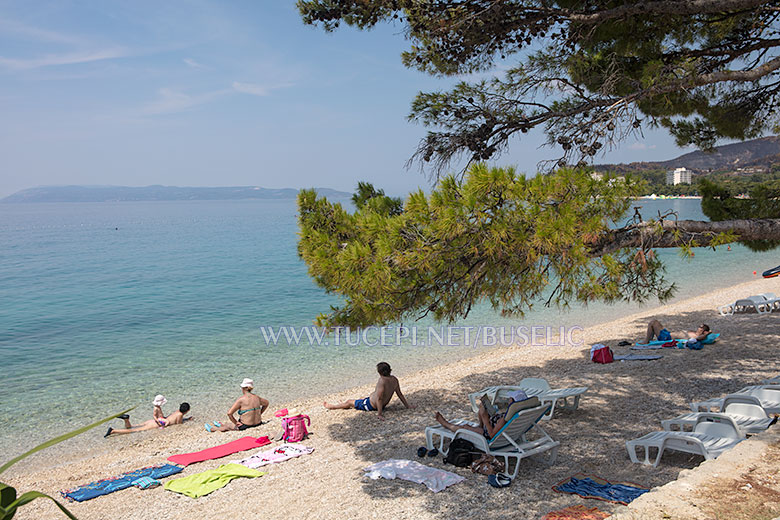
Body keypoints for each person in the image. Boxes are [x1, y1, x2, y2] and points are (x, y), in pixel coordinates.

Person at [323, 362, 414, 420]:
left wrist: (379, 414)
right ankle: (343, 404)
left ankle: (333, 407)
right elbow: (400, 394)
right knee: (360, 400)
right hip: (372, 402)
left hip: (370, 405)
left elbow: (379, 399)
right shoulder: (394, 379)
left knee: (349, 402)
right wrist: (407, 406)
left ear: (379, 372)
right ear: (390, 370)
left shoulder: (382, 381)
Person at [434, 390, 528, 439]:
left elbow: (491, 435)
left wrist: (485, 419)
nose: (508, 399)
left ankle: (446, 424)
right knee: (482, 410)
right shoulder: (516, 415)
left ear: (513, 402)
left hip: (486, 434)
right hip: (494, 429)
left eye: (510, 398)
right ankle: (480, 426)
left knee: (464, 427)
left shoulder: (504, 419)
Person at [105, 403, 191, 437]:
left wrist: (186, 419)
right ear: (187, 411)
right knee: (134, 430)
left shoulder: (177, 412)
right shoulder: (180, 415)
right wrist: (186, 421)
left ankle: (126, 419)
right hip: (157, 424)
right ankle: (113, 431)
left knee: (132, 427)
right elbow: (179, 424)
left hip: (154, 421)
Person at [645, 319, 710, 345]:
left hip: (666, 337)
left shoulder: (695, 336)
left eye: (700, 327)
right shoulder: (693, 333)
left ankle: (646, 341)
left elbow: (700, 338)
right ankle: (649, 338)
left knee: (653, 323)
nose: (699, 328)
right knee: (655, 322)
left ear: (703, 331)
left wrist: (708, 333)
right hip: (667, 333)